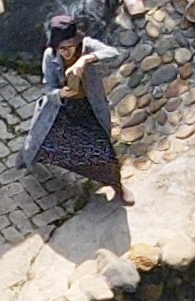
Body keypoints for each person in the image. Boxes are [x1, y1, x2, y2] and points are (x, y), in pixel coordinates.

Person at [20, 11, 122, 200]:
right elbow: (48, 87)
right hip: (64, 108)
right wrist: (60, 94)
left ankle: (117, 186)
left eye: (70, 47)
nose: (66, 52)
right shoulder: (49, 57)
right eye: (62, 48)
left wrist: (85, 59)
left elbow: (113, 53)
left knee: (103, 152)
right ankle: (29, 157)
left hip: (89, 108)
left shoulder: (87, 47)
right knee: (45, 142)